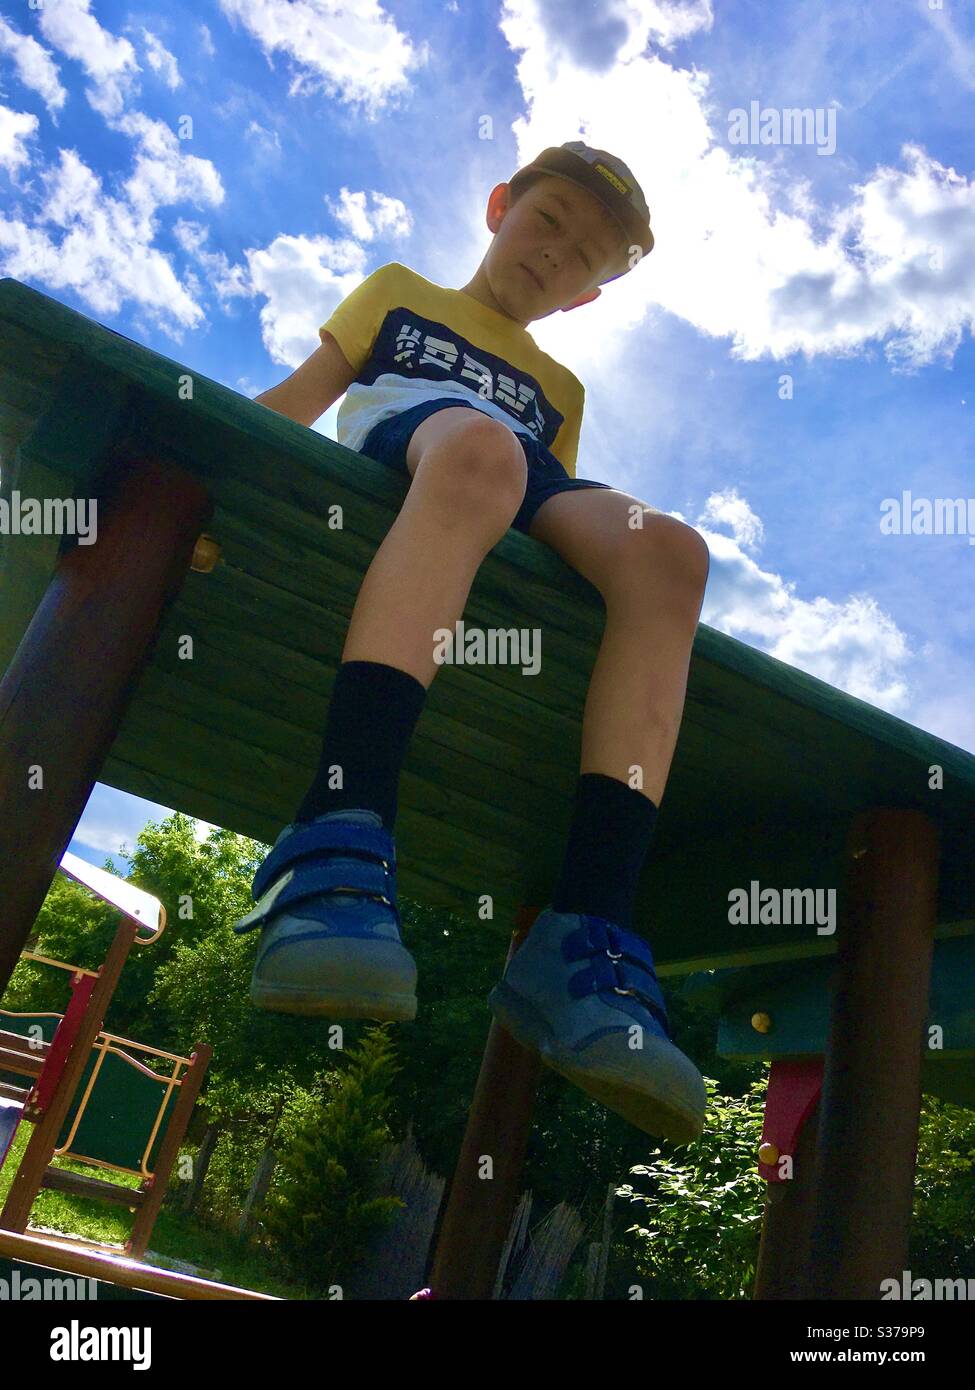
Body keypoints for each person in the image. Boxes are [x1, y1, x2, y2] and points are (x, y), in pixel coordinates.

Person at [234, 142, 710, 1143]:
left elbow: (551, 511)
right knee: (484, 452)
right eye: (549, 220)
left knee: (669, 552)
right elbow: (305, 390)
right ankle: (337, 831)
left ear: (587, 298)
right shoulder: (403, 294)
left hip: (513, 471)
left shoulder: (561, 386)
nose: (556, 254)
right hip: (416, 438)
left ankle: (589, 933)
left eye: (584, 256)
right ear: (499, 205)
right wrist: (197, 440)